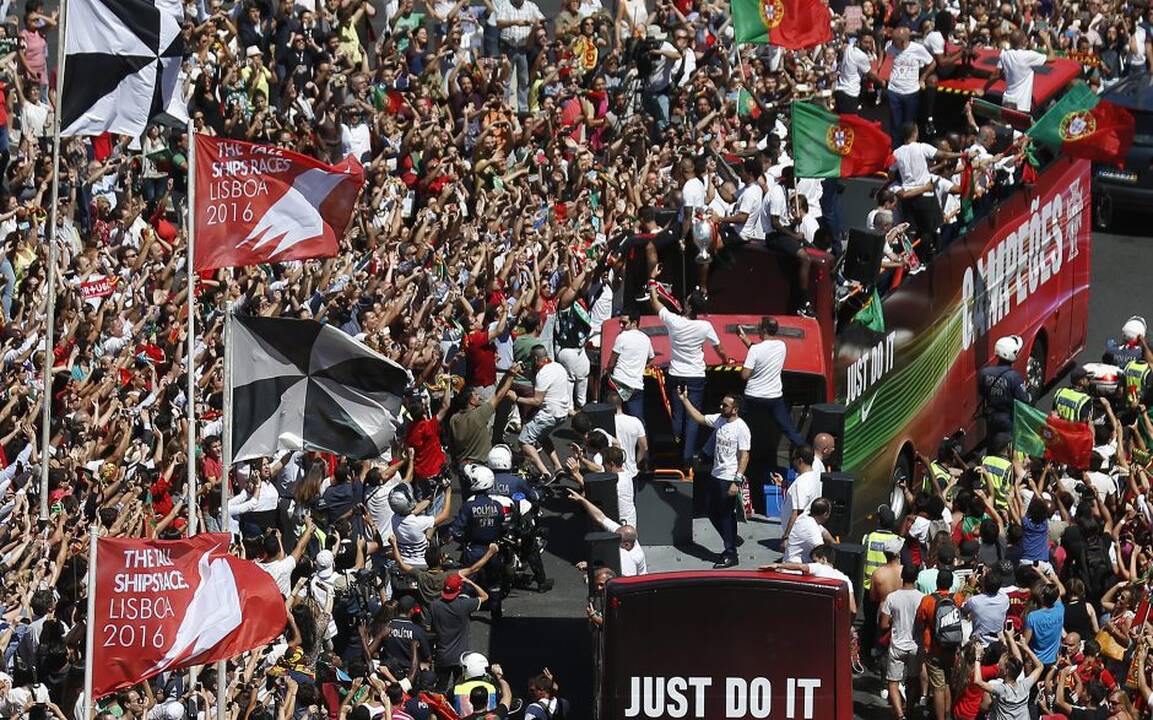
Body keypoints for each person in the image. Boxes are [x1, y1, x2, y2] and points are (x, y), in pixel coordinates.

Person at [650, 271, 731, 471]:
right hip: (696, 376)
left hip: (676, 374)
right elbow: (719, 348)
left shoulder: (674, 322)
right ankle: (687, 459)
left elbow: (654, 303)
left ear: (688, 306)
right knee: (693, 417)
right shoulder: (705, 326)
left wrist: (652, 281)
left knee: (678, 415)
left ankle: (677, 440)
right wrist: (725, 359)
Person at [676, 388, 750, 568]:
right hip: (715, 474)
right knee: (710, 509)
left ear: (735, 409)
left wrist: (737, 480)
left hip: (729, 476)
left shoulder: (741, 428)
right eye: (722, 404)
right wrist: (684, 400)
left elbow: (744, 455)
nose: (721, 406)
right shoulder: (719, 420)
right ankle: (730, 538)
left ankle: (730, 552)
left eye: (725, 405)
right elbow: (699, 418)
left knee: (725, 514)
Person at [737, 317, 806, 481]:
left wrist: (747, 368)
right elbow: (761, 352)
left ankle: (737, 462)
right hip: (774, 398)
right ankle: (808, 456)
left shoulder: (755, 351)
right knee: (789, 430)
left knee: (740, 427)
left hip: (754, 398)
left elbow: (745, 375)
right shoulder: (782, 346)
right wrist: (744, 339)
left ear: (763, 331)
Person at [516, 346, 572, 478]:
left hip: (549, 414)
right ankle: (558, 467)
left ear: (536, 359)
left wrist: (517, 398)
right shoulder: (558, 367)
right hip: (562, 412)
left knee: (524, 441)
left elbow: (537, 401)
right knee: (542, 436)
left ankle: (545, 472)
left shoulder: (543, 374)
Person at [879, 564, 924, 720]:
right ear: (916, 578)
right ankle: (910, 711)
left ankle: (899, 715)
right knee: (913, 680)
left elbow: (883, 624)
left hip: (897, 645)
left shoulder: (892, 597)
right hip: (915, 645)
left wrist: (894, 621)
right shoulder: (922, 598)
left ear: (902, 577)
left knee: (893, 682)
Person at [567, 488, 647, 576]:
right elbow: (601, 517)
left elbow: (616, 576)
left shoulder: (630, 559)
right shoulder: (620, 532)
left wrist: (591, 568)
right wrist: (582, 500)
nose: (612, 536)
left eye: (615, 538)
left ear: (626, 545)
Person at [430, 573, 490, 690]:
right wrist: (470, 582)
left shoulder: (434, 605)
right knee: (460, 688)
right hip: (461, 657)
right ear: (458, 590)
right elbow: (485, 596)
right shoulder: (464, 605)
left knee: (440, 688)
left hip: (442, 655)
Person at [760, 544, 856, 615]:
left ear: (824, 559)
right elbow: (853, 610)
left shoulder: (819, 567)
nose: (812, 563)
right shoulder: (846, 579)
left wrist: (777, 565)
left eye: (814, 561)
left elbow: (801, 567)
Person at [884, 28, 935, 145]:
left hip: (911, 92)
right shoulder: (890, 47)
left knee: (909, 125)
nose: (892, 42)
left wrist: (922, 79)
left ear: (903, 41)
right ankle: (895, 150)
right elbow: (884, 51)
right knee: (895, 125)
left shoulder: (917, 49)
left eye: (895, 41)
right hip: (894, 91)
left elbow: (932, 63)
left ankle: (909, 148)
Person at [984, 30, 1051, 113]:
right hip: (1021, 105)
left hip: (1007, 102)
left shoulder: (1005, 55)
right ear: (1024, 41)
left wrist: (983, 89)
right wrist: (1047, 40)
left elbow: (995, 76)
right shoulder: (1029, 56)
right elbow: (1052, 57)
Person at [605, 310, 653, 420]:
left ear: (634, 323)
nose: (621, 325)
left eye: (624, 323)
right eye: (620, 322)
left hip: (619, 383)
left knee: (614, 418)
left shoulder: (622, 337)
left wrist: (607, 372)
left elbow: (612, 361)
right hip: (636, 385)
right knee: (637, 421)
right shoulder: (646, 339)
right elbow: (651, 358)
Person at [978, 335, 1030, 437]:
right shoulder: (1014, 377)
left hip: (991, 418)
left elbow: (982, 392)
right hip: (1007, 419)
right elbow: (1024, 400)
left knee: (992, 445)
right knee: (1005, 448)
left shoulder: (984, 373)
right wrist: (1029, 394)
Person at [780, 446, 822, 544]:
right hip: (805, 533)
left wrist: (786, 537)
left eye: (793, 459)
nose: (792, 463)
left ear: (800, 460)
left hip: (797, 536)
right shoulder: (815, 478)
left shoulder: (801, 483)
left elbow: (797, 512)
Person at [782, 497, 835, 563]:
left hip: (792, 562)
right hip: (795, 568)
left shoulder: (805, 517)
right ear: (825, 514)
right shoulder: (812, 529)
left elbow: (824, 532)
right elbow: (821, 554)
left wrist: (835, 544)